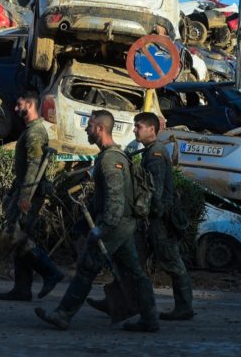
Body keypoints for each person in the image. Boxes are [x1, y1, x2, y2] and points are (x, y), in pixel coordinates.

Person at [35, 110, 159, 332]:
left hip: (115, 225)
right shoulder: (109, 156)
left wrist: (103, 229)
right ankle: (150, 318)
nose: (86, 129)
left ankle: (63, 314)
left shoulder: (111, 159)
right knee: (134, 272)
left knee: (86, 268)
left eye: (90, 125)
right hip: (122, 225)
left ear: (100, 129)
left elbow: (115, 198)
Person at [87, 112, 193, 320]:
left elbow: (156, 191)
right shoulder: (150, 152)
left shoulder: (155, 154)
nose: (135, 130)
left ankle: (184, 306)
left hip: (159, 221)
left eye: (138, 126)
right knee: (131, 262)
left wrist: (145, 214)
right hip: (152, 220)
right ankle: (115, 301)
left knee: (171, 262)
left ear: (151, 129)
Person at [0, 90, 64, 301]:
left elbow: (34, 167)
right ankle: (22, 288)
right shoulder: (30, 131)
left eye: (19, 104)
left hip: (31, 193)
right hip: (25, 190)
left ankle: (50, 272)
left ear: (30, 104)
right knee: (21, 236)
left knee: (19, 237)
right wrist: (13, 192)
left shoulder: (35, 133)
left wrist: (25, 196)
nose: (16, 109)